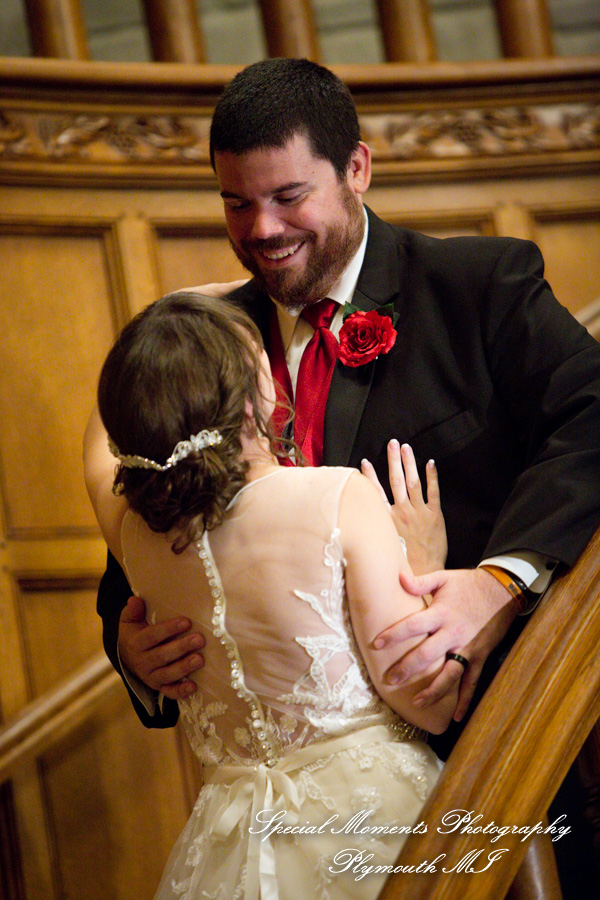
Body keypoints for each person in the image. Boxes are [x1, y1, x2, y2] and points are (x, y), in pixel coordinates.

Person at [98, 58, 600, 762]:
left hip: (507, 732)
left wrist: (500, 584)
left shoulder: (478, 287)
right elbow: (161, 503)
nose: (262, 228)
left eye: (288, 195)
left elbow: (591, 418)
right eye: (236, 202)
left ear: (356, 168)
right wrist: (130, 647)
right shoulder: (207, 341)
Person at [84, 291, 457, 899]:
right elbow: (429, 703)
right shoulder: (340, 498)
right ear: (255, 397)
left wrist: (155, 337)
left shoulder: (135, 538)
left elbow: (95, 454)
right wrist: (423, 564)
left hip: (228, 842)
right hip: (371, 827)